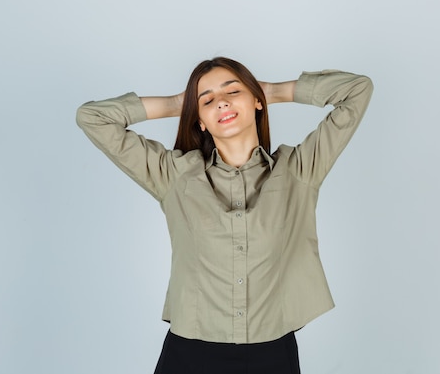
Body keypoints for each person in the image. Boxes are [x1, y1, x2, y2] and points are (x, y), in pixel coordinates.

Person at [76, 57, 373, 373]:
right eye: (207, 100)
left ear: (256, 101)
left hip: (272, 354)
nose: (221, 103)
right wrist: (179, 103)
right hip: (190, 354)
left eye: (233, 91)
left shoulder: (299, 171)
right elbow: (92, 118)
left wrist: (271, 91)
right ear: (199, 120)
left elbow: (356, 90)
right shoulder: (174, 176)